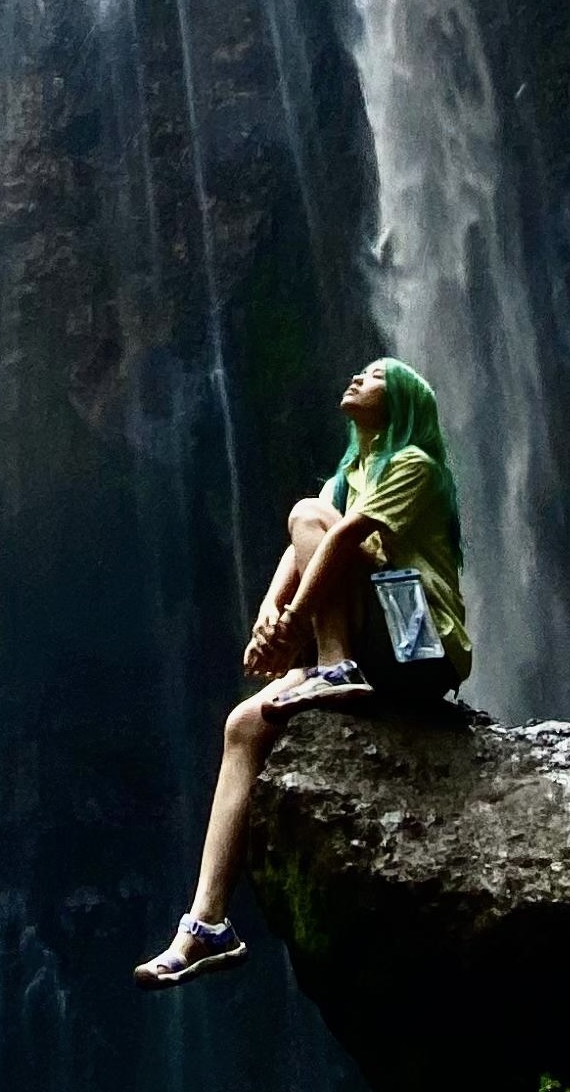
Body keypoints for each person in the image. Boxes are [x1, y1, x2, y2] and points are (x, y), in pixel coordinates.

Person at [133, 357, 471, 989]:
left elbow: (338, 540)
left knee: (312, 515)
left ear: (402, 401)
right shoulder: (352, 476)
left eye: (374, 375)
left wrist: (290, 627)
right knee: (242, 725)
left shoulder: (413, 465)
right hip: (379, 653)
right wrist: (268, 618)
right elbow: (303, 546)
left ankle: (335, 665)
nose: (356, 377)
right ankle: (207, 924)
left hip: (421, 644)